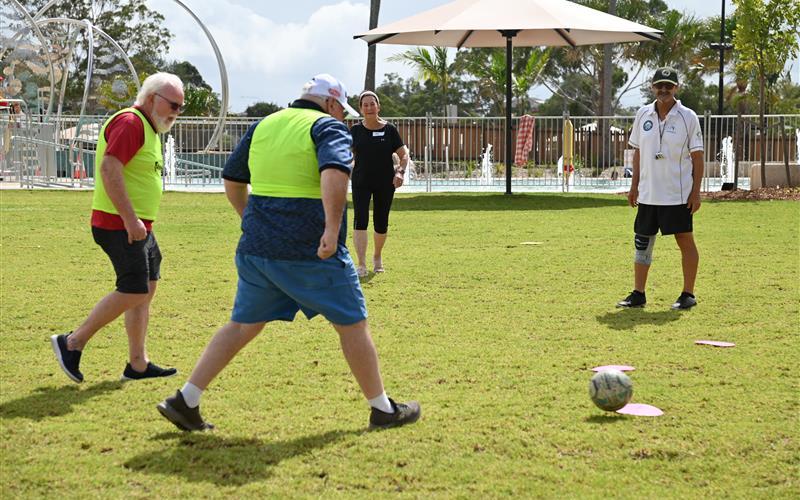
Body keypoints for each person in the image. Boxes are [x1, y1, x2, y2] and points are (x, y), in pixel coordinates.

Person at [156, 74, 420, 432]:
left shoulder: (264, 125)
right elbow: (335, 172)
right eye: (342, 110)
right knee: (353, 322)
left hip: (258, 249)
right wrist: (331, 229)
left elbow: (232, 179)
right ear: (330, 103)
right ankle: (383, 409)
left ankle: (185, 399)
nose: (343, 117)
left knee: (241, 325)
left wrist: (250, 220)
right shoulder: (328, 127)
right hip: (309, 249)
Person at [51, 72, 185, 382]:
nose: (177, 113)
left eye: (181, 107)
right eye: (173, 105)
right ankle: (72, 342)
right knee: (134, 288)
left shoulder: (149, 127)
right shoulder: (131, 123)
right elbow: (109, 168)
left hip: (138, 225)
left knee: (147, 286)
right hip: (120, 224)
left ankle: (138, 364)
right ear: (151, 99)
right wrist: (129, 219)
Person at [617, 67, 704, 310]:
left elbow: (697, 157)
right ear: (652, 87)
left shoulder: (688, 117)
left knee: (684, 240)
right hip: (648, 193)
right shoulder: (643, 114)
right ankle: (638, 293)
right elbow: (637, 153)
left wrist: (696, 192)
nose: (663, 89)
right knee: (642, 242)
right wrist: (634, 186)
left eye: (669, 85)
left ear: (676, 88)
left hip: (677, 194)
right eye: (659, 85)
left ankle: (688, 294)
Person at [350, 91, 409, 277]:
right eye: (365, 105)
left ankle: (377, 256)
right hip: (361, 182)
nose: (369, 107)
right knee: (360, 220)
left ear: (378, 107)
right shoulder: (355, 131)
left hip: (385, 182)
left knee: (381, 222)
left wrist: (400, 172)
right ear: (361, 109)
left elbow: (404, 155)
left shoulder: (389, 130)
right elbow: (346, 154)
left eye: (372, 104)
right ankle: (361, 264)